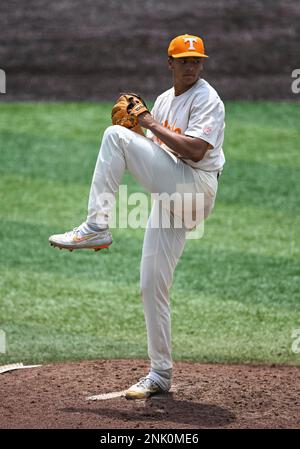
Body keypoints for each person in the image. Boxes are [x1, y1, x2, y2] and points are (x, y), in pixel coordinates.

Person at [49, 34, 225, 399]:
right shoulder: (163, 100)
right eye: (184, 60)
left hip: (195, 189)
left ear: (202, 64)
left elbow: (194, 150)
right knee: (151, 285)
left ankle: (97, 226)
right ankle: (160, 374)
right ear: (170, 64)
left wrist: (145, 124)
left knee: (114, 136)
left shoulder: (208, 100)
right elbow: (158, 152)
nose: (191, 66)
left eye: (197, 60)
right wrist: (139, 132)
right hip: (171, 193)